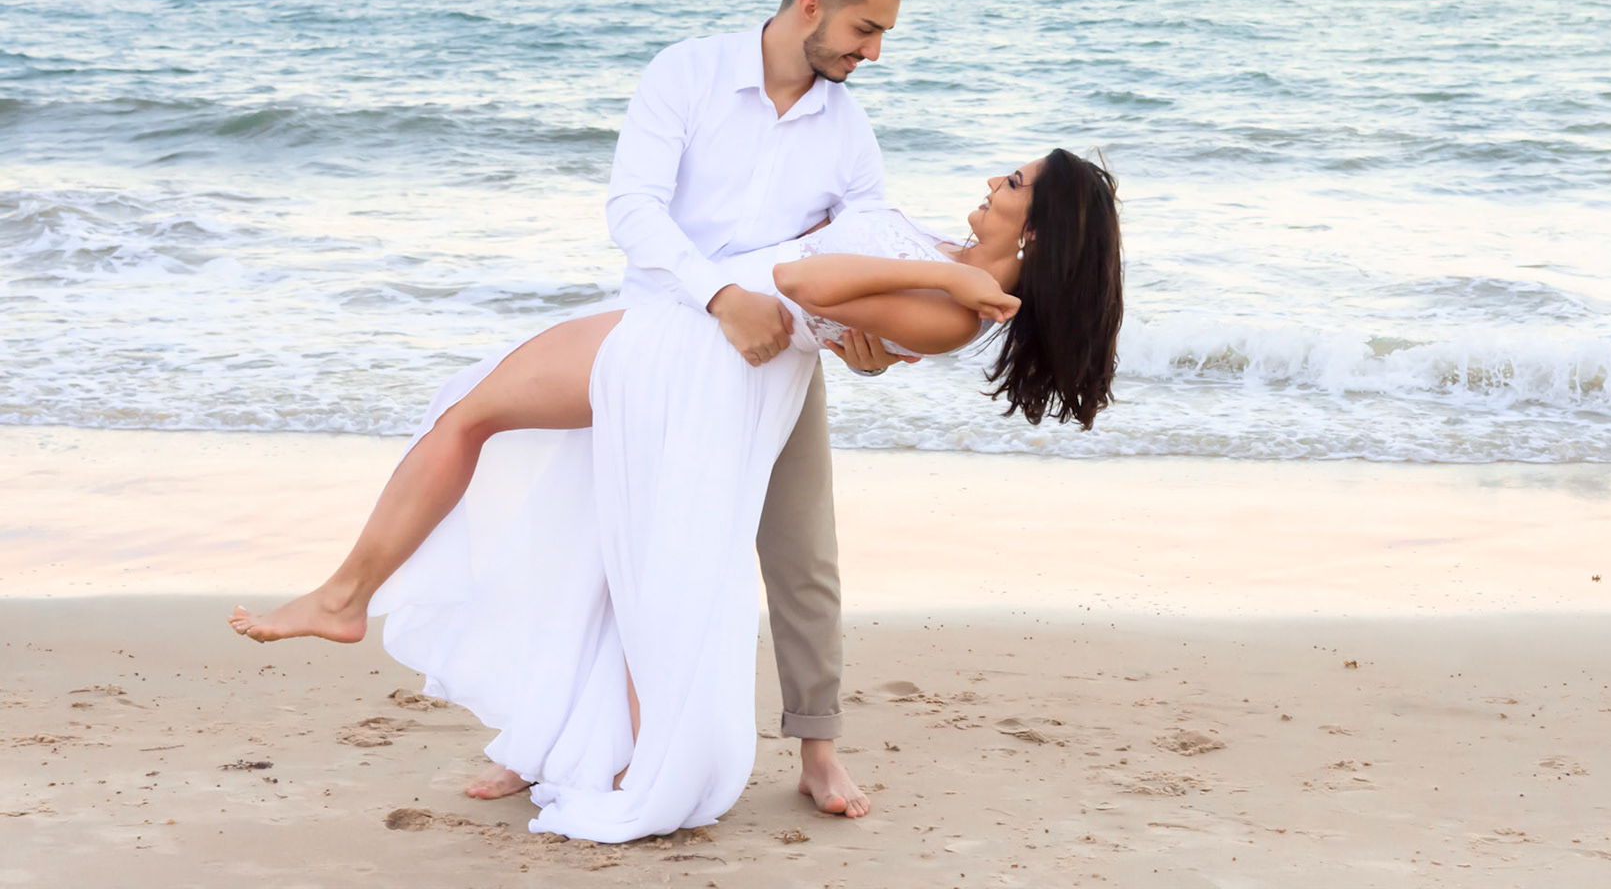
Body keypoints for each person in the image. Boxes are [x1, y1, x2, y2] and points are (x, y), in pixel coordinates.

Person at [237, 150, 1123, 842]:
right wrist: (942, 265)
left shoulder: (961, 309)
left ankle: (348, 599)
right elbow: (819, 250)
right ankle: (549, 727)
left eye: (1011, 182)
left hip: (695, 361)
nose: (990, 180)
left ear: (1038, 229)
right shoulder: (949, 259)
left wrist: (951, 283)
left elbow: (802, 284)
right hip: (690, 323)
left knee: (491, 435)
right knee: (556, 493)